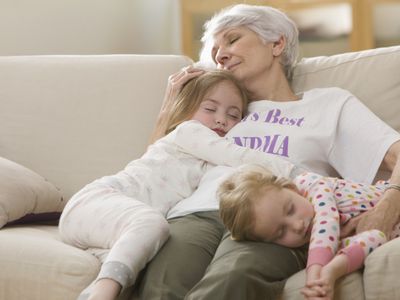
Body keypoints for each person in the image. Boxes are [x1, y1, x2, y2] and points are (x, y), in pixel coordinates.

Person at [137, 3, 400, 300]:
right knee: (161, 285)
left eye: (233, 40)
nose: (220, 54)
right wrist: (170, 108)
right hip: (197, 212)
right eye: (214, 50)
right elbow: (156, 165)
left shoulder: (329, 104)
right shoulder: (222, 109)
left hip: (272, 218)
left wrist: (384, 212)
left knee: (232, 279)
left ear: (277, 43)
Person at [58, 69, 298, 300]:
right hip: (98, 200)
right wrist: (295, 172)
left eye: (233, 115)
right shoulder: (188, 132)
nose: (221, 120)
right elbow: (236, 154)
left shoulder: (208, 168)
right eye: (210, 108)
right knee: (153, 225)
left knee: (142, 260)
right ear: (185, 109)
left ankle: (97, 289)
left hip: (114, 226)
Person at [218, 164, 400, 299]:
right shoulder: (317, 247)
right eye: (280, 232)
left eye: (290, 209)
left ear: (290, 188)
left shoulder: (310, 183)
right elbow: (374, 238)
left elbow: (326, 221)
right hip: (388, 231)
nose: (297, 226)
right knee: (375, 237)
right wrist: (330, 272)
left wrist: (314, 274)